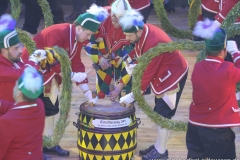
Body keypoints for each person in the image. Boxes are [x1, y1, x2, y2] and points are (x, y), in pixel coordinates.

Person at [21, 4, 108, 156]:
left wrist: (86, 90)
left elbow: (75, 62)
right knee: (35, 112)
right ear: (79, 28)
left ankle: (48, 143)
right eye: (87, 34)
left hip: (49, 76)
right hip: (32, 74)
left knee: (51, 111)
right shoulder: (58, 32)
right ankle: (32, 149)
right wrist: (72, 75)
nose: (87, 38)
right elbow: (51, 60)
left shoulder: (77, 37)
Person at [118, 10, 188, 160]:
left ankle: (161, 152)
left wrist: (132, 96)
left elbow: (148, 74)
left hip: (172, 76)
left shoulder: (153, 41)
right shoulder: (142, 33)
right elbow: (140, 53)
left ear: (137, 31)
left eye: (129, 35)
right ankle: (158, 146)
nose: (127, 38)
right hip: (163, 72)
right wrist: (133, 61)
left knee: (163, 113)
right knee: (159, 112)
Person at [186, 19, 240, 159]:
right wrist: (235, 53)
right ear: (224, 50)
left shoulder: (197, 67)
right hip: (218, 130)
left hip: (195, 127)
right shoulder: (228, 70)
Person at [85, 0, 134, 100]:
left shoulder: (133, 24)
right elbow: (88, 43)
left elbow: (132, 53)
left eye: (122, 22)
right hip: (102, 53)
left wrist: (119, 88)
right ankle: (103, 94)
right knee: (103, 89)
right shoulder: (98, 18)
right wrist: (100, 58)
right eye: (115, 21)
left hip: (121, 55)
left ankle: (124, 97)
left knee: (125, 91)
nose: (118, 25)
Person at [0, 14, 46, 108]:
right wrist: (34, 59)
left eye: (20, 46)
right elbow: (22, 74)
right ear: (4, 51)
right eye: (16, 48)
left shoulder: (13, 59)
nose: (20, 50)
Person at [0, 67, 45, 160]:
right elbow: (18, 107)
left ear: (19, 93)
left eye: (15, 84)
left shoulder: (6, 121)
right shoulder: (39, 105)